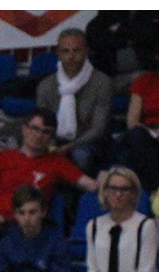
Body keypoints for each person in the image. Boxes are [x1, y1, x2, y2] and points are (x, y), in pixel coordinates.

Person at [0, 108, 99, 234]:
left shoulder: (57, 162)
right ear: (24, 129)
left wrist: (105, 177)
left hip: (30, 225)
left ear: (51, 137)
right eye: (35, 128)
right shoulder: (0, 158)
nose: (39, 135)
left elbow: (90, 185)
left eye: (46, 132)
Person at [37, 28, 114, 175]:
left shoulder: (102, 82)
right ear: (58, 53)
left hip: (90, 143)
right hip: (55, 140)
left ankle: (81, 189)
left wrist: (69, 147)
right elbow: (43, 123)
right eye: (65, 51)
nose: (71, 56)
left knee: (80, 155)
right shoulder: (46, 85)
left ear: (86, 51)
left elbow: (98, 129)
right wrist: (51, 145)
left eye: (76, 50)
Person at [124, 40, 159, 194]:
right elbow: (132, 121)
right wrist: (154, 133)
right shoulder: (145, 81)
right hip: (148, 130)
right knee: (137, 138)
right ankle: (153, 189)